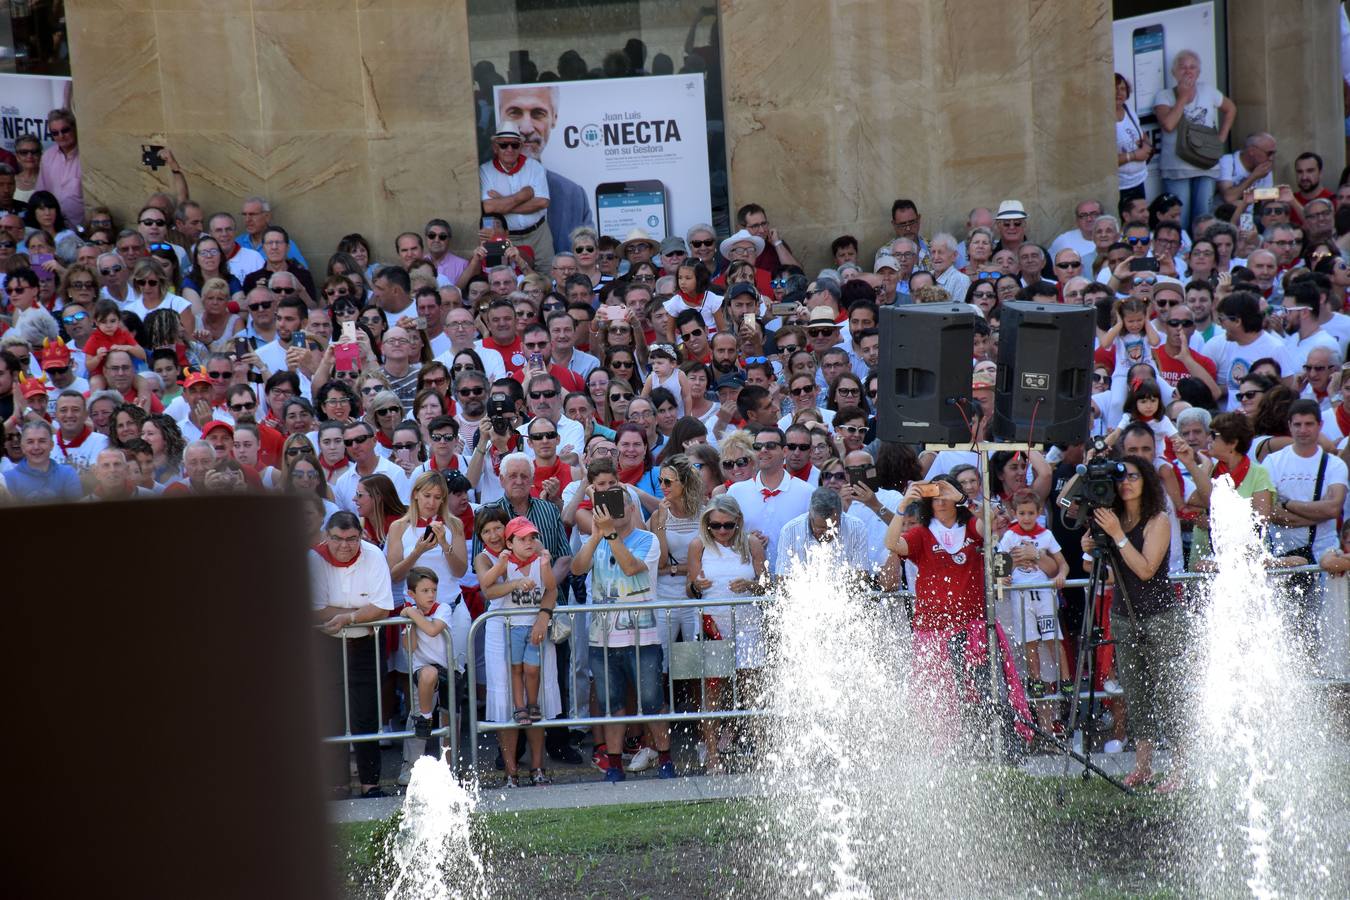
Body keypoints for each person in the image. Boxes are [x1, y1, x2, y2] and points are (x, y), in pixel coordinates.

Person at [884, 475, 1037, 749]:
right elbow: (892, 544)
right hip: (933, 632)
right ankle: (945, 751)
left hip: (973, 631)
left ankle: (988, 747)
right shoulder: (920, 532)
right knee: (939, 699)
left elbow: (990, 521)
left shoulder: (970, 528)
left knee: (980, 695)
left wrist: (965, 499)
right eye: (936, 494)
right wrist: (904, 504)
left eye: (946, 494)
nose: (941, 500)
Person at [1076, 456, 1182, 791]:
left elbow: (1146, 569)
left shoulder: (1158, 520)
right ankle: (1143, 766)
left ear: (1147, 480)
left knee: (1167, 693)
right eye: (1121, 477)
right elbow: (1107, 575)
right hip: (1123, 615)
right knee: (1136, 694)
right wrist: (1088, 551)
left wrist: (1118, 535)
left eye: (1134, 476)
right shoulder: (1113, 520)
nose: (1126, 482)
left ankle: (1182, 767)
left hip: (1159, 615)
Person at [569, 459, 674, 782]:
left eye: (618, 504)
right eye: (606, 505)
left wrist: (610, 535)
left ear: (630, 509)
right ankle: (614, 764)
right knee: (612, 703)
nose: (612, 510)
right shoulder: (598, 539)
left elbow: (631, 568)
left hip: (644, 635)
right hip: (603, 636)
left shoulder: (647, 540)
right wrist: (595, 536)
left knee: (653, 702)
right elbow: (577, 568)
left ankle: (666, 758)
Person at [310, 511, 396, 798]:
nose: (345, 545)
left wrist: (349, 618)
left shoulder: (373, 556)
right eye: (337, 539)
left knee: (366, 713)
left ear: (361, 536)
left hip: (364, 645)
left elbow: (383, 606)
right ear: (327, 536)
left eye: (352, 539)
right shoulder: (314, 559)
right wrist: (360, 616)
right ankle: (337, 782)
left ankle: (370, 782)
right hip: (327, 644)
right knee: (331, 713)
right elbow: (317, 610)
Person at [1264, 400, 1349, 661]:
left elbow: (1333, 508)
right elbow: (1268, 510)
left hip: (1323, 552)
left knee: (1325, 623)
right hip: (1282, 554)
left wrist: (1288, 504)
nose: (1303, 430)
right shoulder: (1273, 461)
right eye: (1297, 424)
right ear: (1289, 426)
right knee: (1285, 627)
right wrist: (1311, 514)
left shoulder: (1334, 465)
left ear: (1319, 426)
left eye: (1309, 424)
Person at [995, 490, 1070, 730]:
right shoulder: (1009, 535)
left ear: (1039, 513)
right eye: (1022, 513)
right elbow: (999, 560)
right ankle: (1035, 680)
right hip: (1020, 595)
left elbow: (1062, 563)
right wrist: (1000, 578)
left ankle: (1066, 679)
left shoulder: (1045, 535)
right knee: (1030, 639)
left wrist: (1061, 576)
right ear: (1015, 514)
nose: (1026, 518)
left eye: (1031, 513)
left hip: (1044, 594)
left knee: (1052, 637)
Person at [1152, 49, 1236, 231]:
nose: (1188, 71)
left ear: (1198, 72)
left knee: (1203, 220)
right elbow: (1168, 125)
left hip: (1206, 164)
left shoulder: (1208, 90)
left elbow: (1230, 109)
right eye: (1182, 68)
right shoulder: (1164, 96)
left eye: (1192, 67)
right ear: (1174, 72)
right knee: (1178, 220)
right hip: (1177, 167)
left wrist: (1221, 137)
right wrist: (1182, 97)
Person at [479, 125, 551, 271]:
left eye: (514, 144)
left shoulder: (534, 166)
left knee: (546, 275)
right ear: (495, 147)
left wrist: (502, 200)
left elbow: (543, 202)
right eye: (504, 145)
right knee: (510, 277)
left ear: (521, 146)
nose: (509, 149)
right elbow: (489, 208)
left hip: (539, 233)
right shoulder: (485, 171)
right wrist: (522, 195)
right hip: (508, 236)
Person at [4, 420, 82, 501]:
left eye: (42, 441)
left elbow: (75, 511)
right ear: (22, 447)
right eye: (30, 442)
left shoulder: (67, 474)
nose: (36, 447)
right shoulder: (8, 479)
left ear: (51, 445)